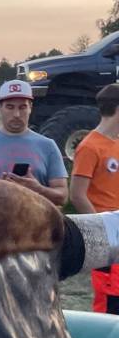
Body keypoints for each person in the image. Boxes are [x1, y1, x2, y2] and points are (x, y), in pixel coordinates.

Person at [0, 80, 68, 205]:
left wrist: (37, 189)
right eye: (10, 107)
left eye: (22, 107)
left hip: (36, 216)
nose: (16, 114)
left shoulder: (48, 146)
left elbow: (62, 196)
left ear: (30, 107)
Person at [68, 84, 119, 313]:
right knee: (111, 302)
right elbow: (77, 195)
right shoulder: (89, 146)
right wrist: (104, 230)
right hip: (109, 237)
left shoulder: (116, 143)